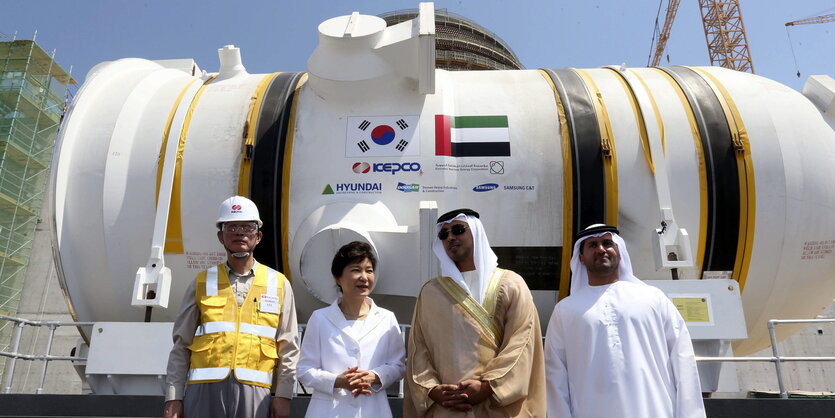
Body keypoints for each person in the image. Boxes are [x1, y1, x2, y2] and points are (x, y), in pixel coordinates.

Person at [544, 224, 706, 418]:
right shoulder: (566, 310)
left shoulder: (653, 299)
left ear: (619, 252)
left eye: (607, 243)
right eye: (592, 245)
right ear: (580, 258)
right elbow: (555, 377)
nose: (601, 249)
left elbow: (683, 361)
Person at [164, 196, 299, 418]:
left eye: (247, 227)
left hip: (256, 392)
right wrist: (174, 397)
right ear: (220, 236)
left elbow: (289, 347)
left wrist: (283, 395)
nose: (239, 232)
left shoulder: (278, 283)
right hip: (203, 391)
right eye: (232, 226)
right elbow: (181, 345)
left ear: (258, 236)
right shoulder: (201, 282)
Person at [404, 208, 546, 417]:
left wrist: (488, 387)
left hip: (497, 406)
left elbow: (521, 345)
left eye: (458, 230)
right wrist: (433, 390)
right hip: (447, 408)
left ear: (477, 233)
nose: (450, 237)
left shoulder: (511, 284)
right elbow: (418, 348)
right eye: (444, 234)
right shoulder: (431, 292)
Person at [297, 241, 406, 417]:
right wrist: (336, 381)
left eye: (369, 270)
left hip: (373, 409)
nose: (364, 277)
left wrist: (375, 376)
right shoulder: (320, 318)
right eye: (356, 270)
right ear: (337, 277)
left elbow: (399, 365)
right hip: (328, 411)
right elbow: (304, 369)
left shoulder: (387, 318)